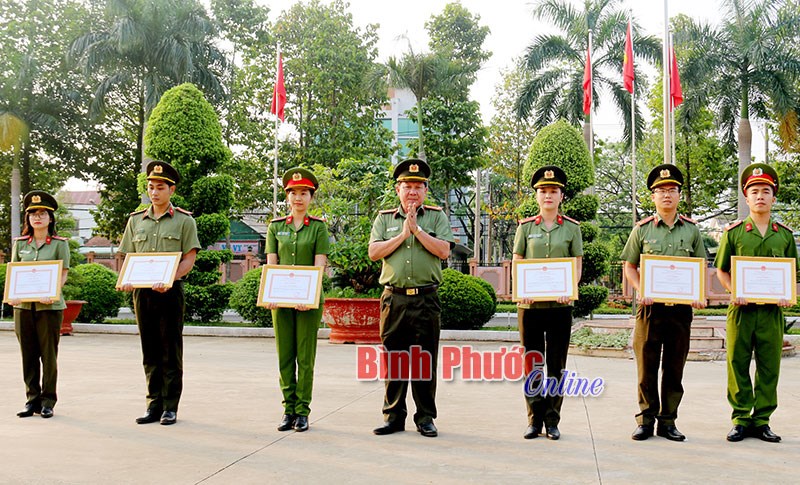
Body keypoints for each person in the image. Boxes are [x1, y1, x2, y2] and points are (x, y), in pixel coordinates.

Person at [368, 158, 454, 438]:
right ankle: (393, 416)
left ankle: (425, 417)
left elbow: (443, 251)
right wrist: (402, 234)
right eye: (407, 186)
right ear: (398, 190)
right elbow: (374, 252)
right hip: (394, 300)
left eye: (418, 186)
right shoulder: (384, 219)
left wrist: (416, 231)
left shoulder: (437, 217)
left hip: (426, 299)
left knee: (424, 361)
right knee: (394, 360)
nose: (413, 192)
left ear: (426, 190)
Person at [620, 164, 706, 442]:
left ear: (680, 195)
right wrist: (640, 288)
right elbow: (629, 266)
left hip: (681, 310)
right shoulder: (642, 230)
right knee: (646, 366)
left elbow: (701, 266)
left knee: (674, 366)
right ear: (653, 196)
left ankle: (668, 421)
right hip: (650, 308)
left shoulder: (692, 231)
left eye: (672, 190)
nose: (666, 195)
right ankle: (645, 420)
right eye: (660, 190)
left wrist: (699, 294)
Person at [714, 163, 796, 443]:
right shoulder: (734, 232)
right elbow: (721, 270)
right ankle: (740, 418)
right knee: (737, 363)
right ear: (746, 198)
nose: (760, 196)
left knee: (769, 365)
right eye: (754, 191)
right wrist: (732, 290)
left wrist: (788, 294)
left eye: (766, 191)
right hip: (741, 310)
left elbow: (792, 273)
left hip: (771, 313)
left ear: (774, 198)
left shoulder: (784, 235)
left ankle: (761, 420)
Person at [118, 161, 200, 426]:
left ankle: (170, 406)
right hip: (142, 293)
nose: (155, 192)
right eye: (151, 187)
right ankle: (153, 404)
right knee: (149, 347)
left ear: (171, 190)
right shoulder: (135, 221)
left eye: (160, 187)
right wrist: (126, 278)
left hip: (170, 291)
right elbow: (127, 256)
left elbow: (189, 259)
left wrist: (171, 277)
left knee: (170, 348)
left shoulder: (184, 221)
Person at [512, 166, 583, 441]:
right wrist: (522, 289)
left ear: (561, 196)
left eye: (553, 191)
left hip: (559, 308)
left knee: (556, 364)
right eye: (543, 191)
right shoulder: (526, 227)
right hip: (530, 308)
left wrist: (571, 287)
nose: (548, 195)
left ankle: (552, 420)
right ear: (537, 196)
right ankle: (533, 419)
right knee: (532, 363)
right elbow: (518, 260)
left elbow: (576, 263)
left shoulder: (572, 229)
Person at [266, 167, 329, 433]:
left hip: (308, 301)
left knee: (305, 356)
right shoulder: (275, 227)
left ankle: (302, 411)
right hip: (280, 301)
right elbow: (271, 263)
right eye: (293, 193)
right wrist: (269, 293)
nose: (298, 198)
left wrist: (310, 295)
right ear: (287, 197)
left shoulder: (317, 228)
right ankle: (287, 409)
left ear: (311, 197)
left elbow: (320, 266)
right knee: (284, 355)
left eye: (304, 193)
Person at [9, 191, 70, 419]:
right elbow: (15, 272)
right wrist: (13, 295)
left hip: (49, 308)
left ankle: (48, 401)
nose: (37, 217)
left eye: (43, 213)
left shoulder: (59, 244)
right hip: (23, 307)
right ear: (28, 218)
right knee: (28, 354)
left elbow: (62, 274)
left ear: (50, 218)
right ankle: (31, 399)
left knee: (48, 355)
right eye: (33, 213)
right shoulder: (20, 244)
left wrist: (53, 292)